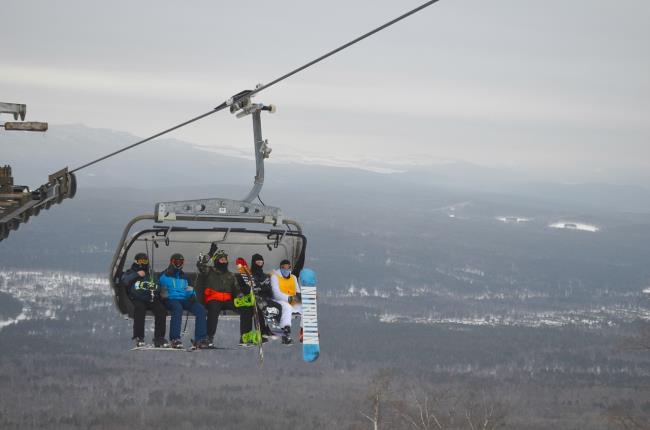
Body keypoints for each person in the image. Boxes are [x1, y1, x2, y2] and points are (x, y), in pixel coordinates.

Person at [197, 249, 253, 347]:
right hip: (214, 298)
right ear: (216, 261)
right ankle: (209, 338)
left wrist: (242, 298)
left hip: (227, 300)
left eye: (225, 260)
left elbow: (236, 289)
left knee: (246, 309)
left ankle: (245, 336)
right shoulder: (209, 271)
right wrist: (210, 254)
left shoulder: (230, 275)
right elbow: (200, 265)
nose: (224, 262)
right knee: (213, 310)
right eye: (222, 260)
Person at [159, 253, 209, 349]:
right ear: (171, 262)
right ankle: (175, 339)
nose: (178, 264)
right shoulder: (165, 274)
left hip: (184, 299)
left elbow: (189, 289)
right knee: (178, 308)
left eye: (181, 262)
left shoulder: (184, 276)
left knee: (200, 309)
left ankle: (200, 339)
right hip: (171, 299)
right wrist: (164, 295)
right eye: (176, 261)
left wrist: (192, 296)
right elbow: (160, 286)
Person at [121, 253, 168, 348]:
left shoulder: (151, 273)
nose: (142, 263)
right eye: (140, 261)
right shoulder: (130, 272)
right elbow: (125, 280)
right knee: (139, 309)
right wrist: (136, 275)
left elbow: (159, 286)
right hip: (137, 298)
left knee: (161, 310)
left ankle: (159, 338)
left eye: (145, 261)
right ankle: (139, 337)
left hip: (150, 297)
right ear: (136, 262)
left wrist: (154, 287)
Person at [250, 253, 282, 338]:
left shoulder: (264, 276)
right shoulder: (250, 275)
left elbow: (268, 289)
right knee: (261, 307)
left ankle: (271, 328)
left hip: (266, 298)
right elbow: (252, 288)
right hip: (255, 298)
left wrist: (263, 289)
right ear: (254, 263)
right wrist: (261, 288)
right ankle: (262, 330)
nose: (260, 264)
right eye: (258, 262)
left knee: (278, 306)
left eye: (261, 262)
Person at [271, 259, 302, 345]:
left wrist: (300, 299)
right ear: (280, 268)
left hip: (292, 300)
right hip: (279, 301)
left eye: (288, 268)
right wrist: (288, 298)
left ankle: (304, 331)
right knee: (286, 308)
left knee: (306, 307)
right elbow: (276, 293)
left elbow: (297, 291)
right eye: (283, 268)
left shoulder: (293, 278)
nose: (286, 270)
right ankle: (286, 333)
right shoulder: (275, 277)